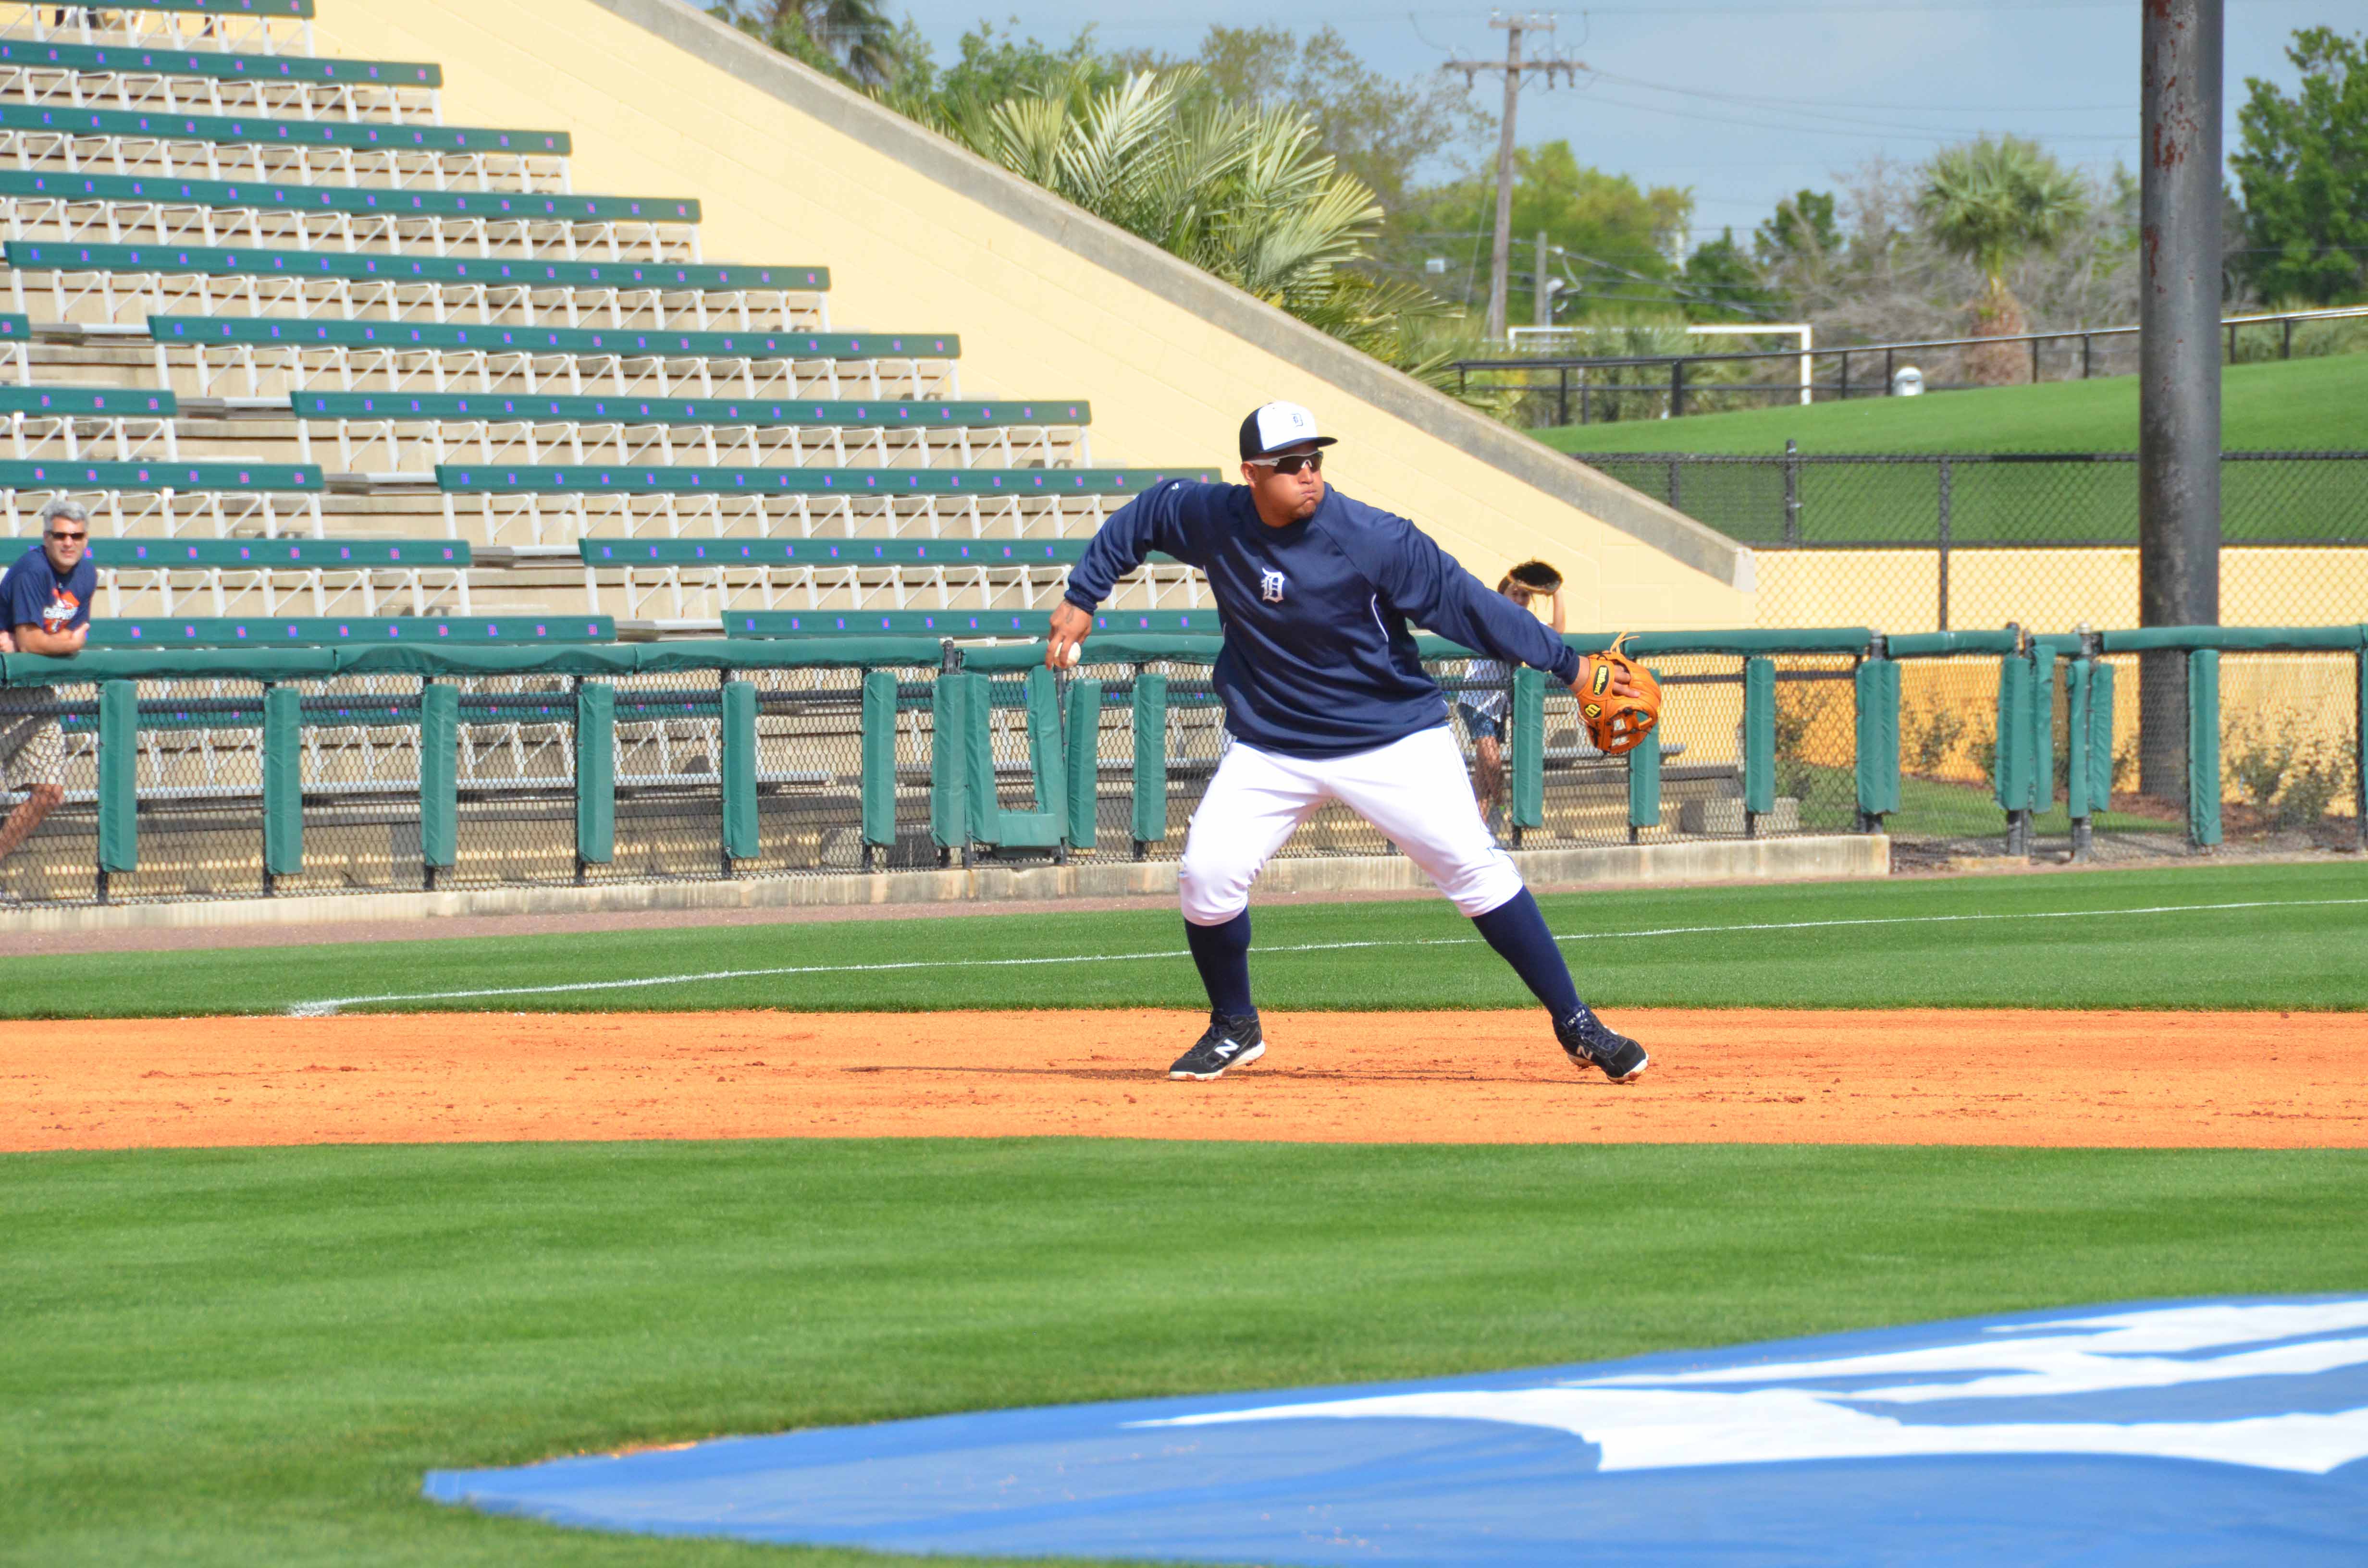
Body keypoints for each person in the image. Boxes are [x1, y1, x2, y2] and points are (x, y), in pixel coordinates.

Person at [1048, 401, 1650, 1084]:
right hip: (1273, 744)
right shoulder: (1216, 518)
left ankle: (1577, 1023)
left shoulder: (1373, 537)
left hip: (1391, 738)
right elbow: (1149, 514)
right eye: (1289, 465)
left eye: (1315, 460)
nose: (1308, 474)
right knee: (1206, 879)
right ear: (1251, 474)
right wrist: (1084, 593)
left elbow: (1468, 604)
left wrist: (1569, 668)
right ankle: (1234, 1026)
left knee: (1474, 870)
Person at [0, 497, 96, 874]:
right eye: (60, 535)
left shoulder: (86, 574)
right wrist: (65, 645)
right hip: (5, 681)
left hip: (36, 690)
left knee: (50, 793)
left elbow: (55, 637)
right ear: (46, 538)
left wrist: (50, 642)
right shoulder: (31, 570)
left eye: (76, 535)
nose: (68, 543)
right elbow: (30, 642)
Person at [1461, 571, 1563, 843]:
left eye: (1525, 595)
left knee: (1484, 772)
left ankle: (1478, 832)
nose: (1519, 599)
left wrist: (1556, 592)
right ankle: (1502, 807)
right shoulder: (1493, 613)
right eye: (1514, 593)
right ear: (1502, 595)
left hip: (1498, 704)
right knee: (1492, 761)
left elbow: (1558, 631)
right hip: (1476, 699)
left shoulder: (1528, 622)